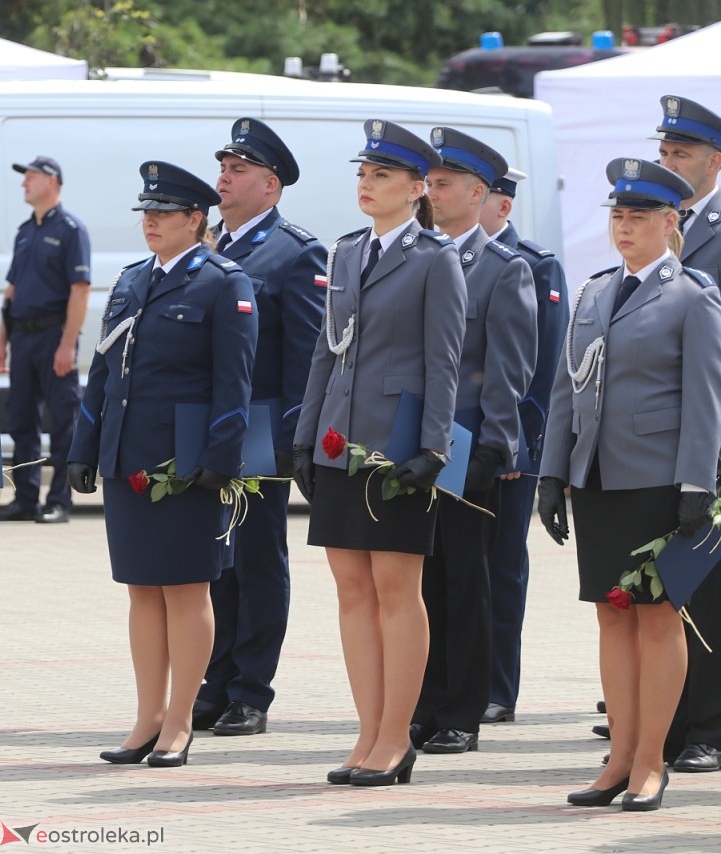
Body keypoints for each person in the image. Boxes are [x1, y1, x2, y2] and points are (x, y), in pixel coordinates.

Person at [539, 158, 721, 812]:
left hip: (658, 483)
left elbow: (706, 400)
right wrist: (552, 470)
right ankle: (618, 757)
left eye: (638, 216)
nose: (624, 227)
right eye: (618, 215)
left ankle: (650, 762)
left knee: (656, 621)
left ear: (670, 221)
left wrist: (698, 483)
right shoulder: (592, 293)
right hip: (597, 482)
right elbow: (568, 390)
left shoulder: (693, 296)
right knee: (612, 618)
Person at [291, 120, 465, 786]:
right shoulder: (344, 253)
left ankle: (397, 737)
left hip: (397, 448)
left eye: (382, 175)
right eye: (364, 174)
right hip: (337, 441)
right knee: (352, 592)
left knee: (397, 592)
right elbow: (324, 351)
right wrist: (305, 435)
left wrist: (434, 447)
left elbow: (443, 361)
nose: (367, 185)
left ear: (418, 188)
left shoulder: (434, 258)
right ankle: (367, 734)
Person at [68, 161, 257, 768]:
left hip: (186, 460)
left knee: (186, 588)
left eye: (163, 214)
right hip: (129, 457)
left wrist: (220, 460)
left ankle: (179, 721)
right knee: (142, 591)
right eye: (145, 213)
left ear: (195, 220)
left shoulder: (224, 282)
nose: (150, 223)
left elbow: (235, 384)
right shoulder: (130, 281)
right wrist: (84, 446)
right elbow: (103, 372)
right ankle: (147, 718)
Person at [194, 118, 326, 737]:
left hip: (260, 426)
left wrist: (294, 437)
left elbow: (306, 356)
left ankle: (251, 689)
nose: (224, 178)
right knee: (210, 559)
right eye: (223, 167)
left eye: (239, 169)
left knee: (255, 560)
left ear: (271, 185)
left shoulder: (296, 253)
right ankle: (214, 679)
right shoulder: (205, 246)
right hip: (205, 424)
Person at [411, 128, 536, 756]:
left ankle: (462, 710)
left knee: (466, 580)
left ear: (478, 192)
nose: (430, 194)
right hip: (412, 440)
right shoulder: (418, 255)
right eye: (429, 184)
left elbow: (509, 370)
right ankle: (425, 702)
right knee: (419, 580)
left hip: (465, 443)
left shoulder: (503, 268)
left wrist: (494, 445)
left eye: (441, 184)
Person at [478, 167, 569, 726]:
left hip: (509, 447)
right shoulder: (448, 257)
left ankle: (496, 687)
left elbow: (544, 371)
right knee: (453, 566)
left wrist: (519, 447)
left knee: (500, 567)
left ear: (502, 207)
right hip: (460, 438)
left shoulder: (535, 264)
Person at [654, 95, 721, 774]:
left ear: (714, 162)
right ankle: (669, 723)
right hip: (656, 439)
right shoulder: (650, 224)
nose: (670, 162)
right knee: (664, 586)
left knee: (708, 589)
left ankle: (709, 726)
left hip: (713, 434)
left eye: (683, 153)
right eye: (666, 151)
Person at [0, 156, 90, 524]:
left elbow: (79, 291)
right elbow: (12, 291)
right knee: (21, 420)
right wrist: (2, 342)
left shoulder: (70, 230)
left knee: (63, 421)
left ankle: (60, 500)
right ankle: (26, 498)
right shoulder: (24, 231)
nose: (23, 184)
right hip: (23, 336)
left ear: (51, 181)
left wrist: (67, 345)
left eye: (29, 177)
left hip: (54, 336)